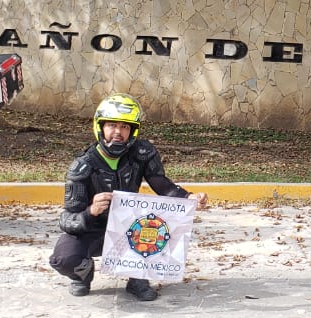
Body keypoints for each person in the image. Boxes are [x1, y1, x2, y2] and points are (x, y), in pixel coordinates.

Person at [48, 93, 207, 301]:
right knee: (64, 259)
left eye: (124, 127)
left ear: (132, 130)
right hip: (95, 230)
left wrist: (189, 197)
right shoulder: (82, 167)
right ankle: (83, 274)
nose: (118, 132)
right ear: (100, 127)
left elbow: (163, 185)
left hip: (129, 229)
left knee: (155, 227)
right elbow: (67, 220)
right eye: (112, 125)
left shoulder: (142, 152)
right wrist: (91, 211)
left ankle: (137, 278)